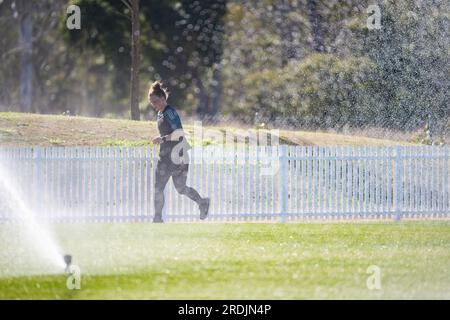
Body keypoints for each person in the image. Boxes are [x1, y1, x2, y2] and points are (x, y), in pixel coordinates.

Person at [148, 80, 210, 223]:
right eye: (152, 103)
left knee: (181, 189)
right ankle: (157, 219)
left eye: (156, 101)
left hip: (178, 157)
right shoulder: (160, 114)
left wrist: (162, 139)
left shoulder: (170, 112)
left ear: (163, 99)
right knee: (158, 188)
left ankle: (202, 203)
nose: (154, 105)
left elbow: (180, 133)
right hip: (165, 157)